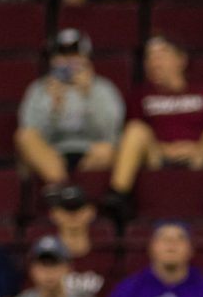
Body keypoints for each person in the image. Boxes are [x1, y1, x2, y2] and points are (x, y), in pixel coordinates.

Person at [110, 34, 203, 213]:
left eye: (161, 55)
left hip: (199, 156)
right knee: (135, 129)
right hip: (156, 156)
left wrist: (196, 149)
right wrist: (164, 149)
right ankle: (118, 194)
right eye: (149, 57)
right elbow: (132, 137)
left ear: (181, 60)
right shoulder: (139, 95)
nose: (154, 62)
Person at [14, 28, 125, 185]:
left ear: (87, 58)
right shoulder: (39, 90)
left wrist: (89, 96)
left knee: (109, 150)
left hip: (91, 152)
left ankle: (75, 192)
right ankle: (64, 188)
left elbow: (110, 134)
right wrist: (53, 107)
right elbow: (32, 134)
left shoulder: (104, 89)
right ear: (52, 60)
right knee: (24, 137)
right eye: (63, 55)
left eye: (74, 54)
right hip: (53, 154)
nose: (69, 61)